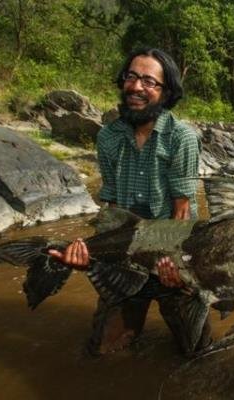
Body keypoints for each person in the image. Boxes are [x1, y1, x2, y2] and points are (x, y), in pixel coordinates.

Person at [48, 47, 210, 356]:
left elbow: (182, 210)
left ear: (166, 92)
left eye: (149, 81)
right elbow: (110, 208)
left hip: (171, 256)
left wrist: (175, 266)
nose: (136, 87)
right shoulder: (108, 137)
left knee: (198, 354)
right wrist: (92, 253)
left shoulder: (181, 138)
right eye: (132, 77)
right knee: (103, 352)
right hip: (124, 256)